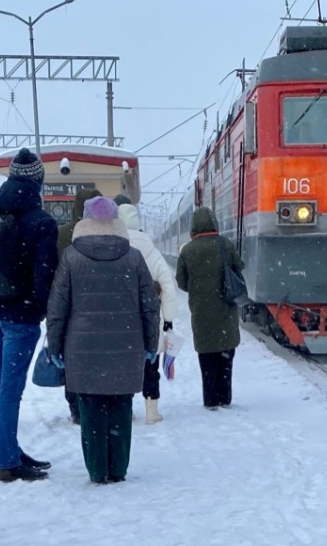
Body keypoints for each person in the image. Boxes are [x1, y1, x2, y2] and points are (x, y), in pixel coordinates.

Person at [46, 196, 160, 484]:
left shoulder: (71, 257)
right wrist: (150, 342)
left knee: (91, 409)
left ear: (85, 220)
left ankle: (97, 471)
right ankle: (118, 469)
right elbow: (149, 305)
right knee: (121, 407)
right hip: (127, 344)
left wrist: (55, 345)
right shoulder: (133, 257)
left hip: (82, 348)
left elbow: (57, 309)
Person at [0, 147, 59, 482]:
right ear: (38, 181)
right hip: (19, 319)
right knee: (10, 390)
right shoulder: (42, 222)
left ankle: (9, 449)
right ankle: (8, 464)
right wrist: (37, 311)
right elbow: (44, 274)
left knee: (0, 386)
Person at [117, 203, 179, 424]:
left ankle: (128, 410)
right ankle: (151, 411)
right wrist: (168, 319)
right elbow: (168, 287)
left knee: (125, 366)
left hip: (121, 319)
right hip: (149, 319)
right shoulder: (152, 251)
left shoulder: (115, 247)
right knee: (150, 365)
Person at [175, 207, 242, 410]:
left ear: (194, 226)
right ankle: (225, 397)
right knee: (225, 356)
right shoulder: (226, 245)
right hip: (225, 311)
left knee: (207, 358)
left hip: (202, 312)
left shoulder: (187, 250)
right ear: (214, 222)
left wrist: (198, 288)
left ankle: (211, 399)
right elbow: (238, 268)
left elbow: (181, 282)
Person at [56, 187, 101, 424]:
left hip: (69, 305)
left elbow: (54, 270)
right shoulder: (104, 232)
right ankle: (94, 400)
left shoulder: (63, 233)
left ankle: (75, 406)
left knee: (70, 356)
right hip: (98, 303)